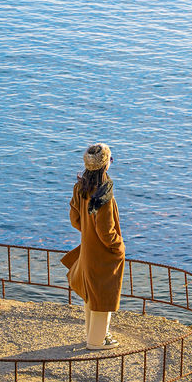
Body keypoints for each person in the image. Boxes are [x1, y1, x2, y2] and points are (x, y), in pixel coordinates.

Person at [61, 143, 125, 349]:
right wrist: (118, 247)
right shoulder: (104, 195)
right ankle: (96, 342)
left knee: (91, 295)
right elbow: (106, 232)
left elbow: (75, 219)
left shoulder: (80, 188)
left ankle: (94, 336)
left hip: (88, 249)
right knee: (102, 297)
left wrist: (87, 232)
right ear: (105, 165)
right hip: (103, 253)